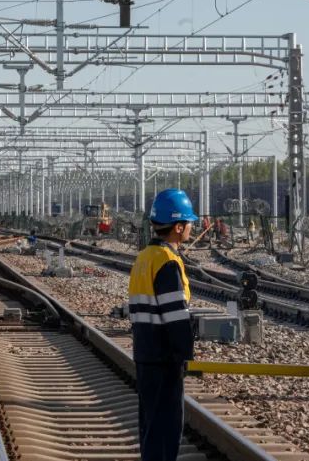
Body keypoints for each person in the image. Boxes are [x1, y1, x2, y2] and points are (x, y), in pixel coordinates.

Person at [128, 188, 196, 461]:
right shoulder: (167, 262)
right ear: (178, 227)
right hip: (164, 357)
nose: (191, 227)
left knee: (151, 426)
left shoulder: (144, 257)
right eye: (189, 223)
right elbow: (175, 315)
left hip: (145, 351)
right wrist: (185, 354)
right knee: (166, 430)